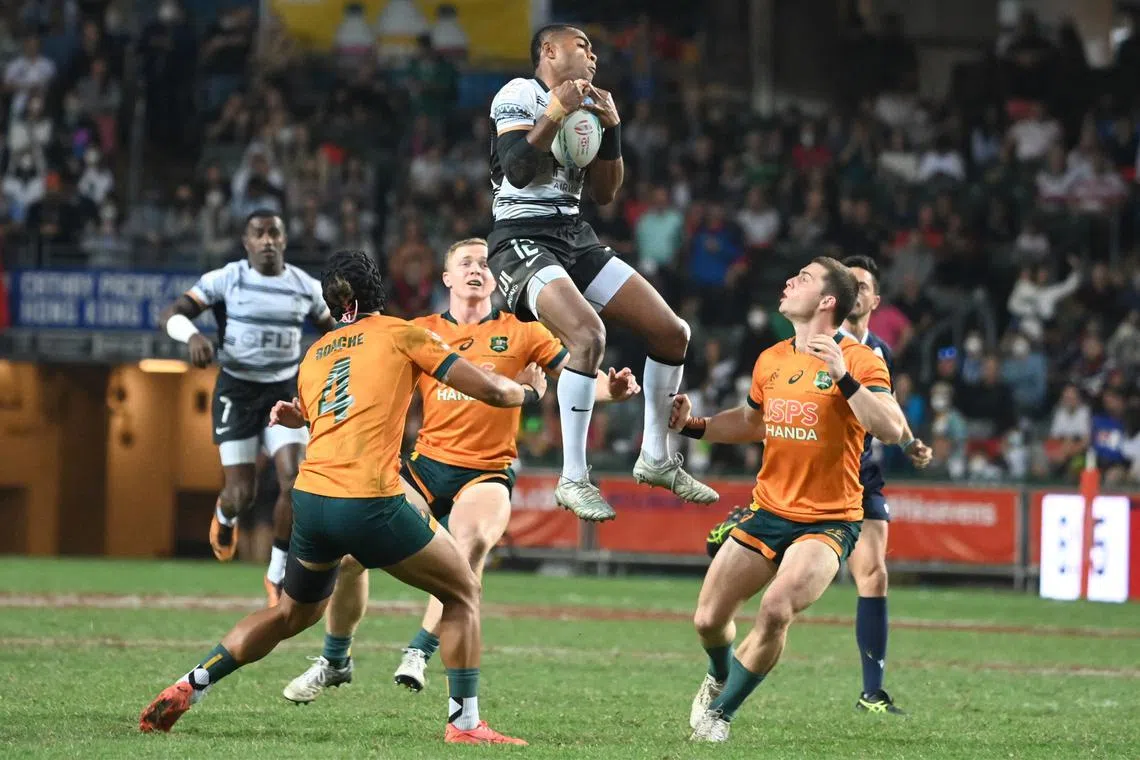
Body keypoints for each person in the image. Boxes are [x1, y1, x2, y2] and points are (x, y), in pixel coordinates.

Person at [139, 249, 537, 745]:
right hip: (369, 501)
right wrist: (528, 391)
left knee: (290, 613)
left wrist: (298, 416)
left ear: (331, 303)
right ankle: (464, 724)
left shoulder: (317, 352)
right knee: (462, 592)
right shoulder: (403, 332)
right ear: (378, 289)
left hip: (311, 503)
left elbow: (336, 406)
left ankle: (190, 684)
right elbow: (495, 394)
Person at [281, 238, 641, 702]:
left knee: (469, 543)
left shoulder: (524, 331)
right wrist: (309, 414)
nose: (477, 269)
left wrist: (611, 389)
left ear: (496, 279)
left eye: (485, 264)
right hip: (425, 467)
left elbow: (576, 376)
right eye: (465, 262)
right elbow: (361, 394)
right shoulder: (417, 330)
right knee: (348, 558)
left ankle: (420, 650)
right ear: (447, 278)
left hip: (486, 470)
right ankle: (335, 660)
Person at [486, 24, 718, 521]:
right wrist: (556, 110)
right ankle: (573, 477)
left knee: (673, 332)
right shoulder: (520, 94)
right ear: (549, 51)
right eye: (582, 45)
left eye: (593, 47)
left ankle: (655, 456)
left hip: (574, 235)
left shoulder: (590, 105)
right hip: (521, 238)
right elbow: (516, 170)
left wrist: (612, 130)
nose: (593, 54)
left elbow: (606, 194)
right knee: (589, 335)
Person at [670, 257, 908, 743]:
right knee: (708, 620)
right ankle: (719, 674)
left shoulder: (860, 359)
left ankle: (720, 715)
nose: (788, 281)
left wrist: (843, 376)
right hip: (768, 510)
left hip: (829, 522)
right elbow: (753, 422)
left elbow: (891, 427)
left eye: (801, 278)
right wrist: (695, 426)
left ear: (826, 301)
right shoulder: (771, 358)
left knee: (777, 608)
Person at [158, 210, 337, 605]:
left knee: (296, 478)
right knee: (242, 493)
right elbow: (171, 314)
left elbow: (337, 334)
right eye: (260, 233)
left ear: (285, 240)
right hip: (237, 392)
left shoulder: (305, 287)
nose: (268, 239)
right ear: (247, 241)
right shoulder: (227, 279)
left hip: (283, 392)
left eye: (275, 232)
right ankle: (225, 516)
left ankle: (276, 574)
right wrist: (191, 337)